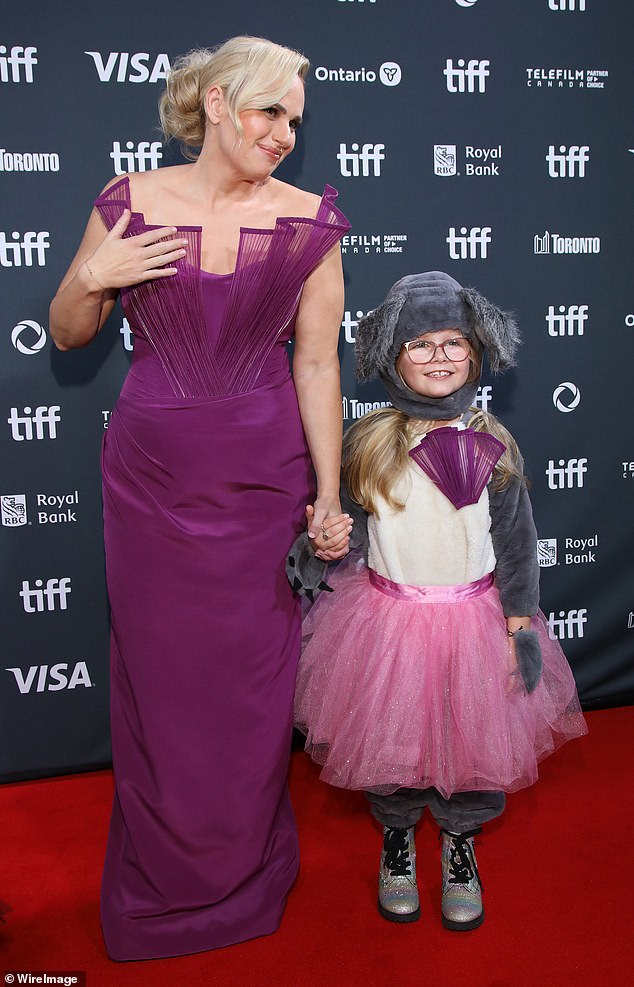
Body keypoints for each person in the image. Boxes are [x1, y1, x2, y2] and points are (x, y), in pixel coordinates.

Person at [49, 36, 351, 962]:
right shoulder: (129, 200)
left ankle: (243, 873)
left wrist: (328, 494)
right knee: (160, 678)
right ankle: (160, 881)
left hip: (262, 479)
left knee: (252, 688)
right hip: (151, 478)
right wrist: (94, 278)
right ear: (218, 103)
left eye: (296, 120)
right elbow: (68, 334)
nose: (285, 135)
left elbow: (315, 361)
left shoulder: (310, 220)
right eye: (270, 112)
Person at [292, 272, 587, 931]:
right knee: (389, 739)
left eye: (454, 342)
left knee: (475, 738)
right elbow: (350, 537)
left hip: (475, 622)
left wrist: (519, 623)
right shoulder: (366, 442)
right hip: (387, 624)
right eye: (420, 344)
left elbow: (515, 542)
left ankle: (460, 845)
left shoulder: (493, 442)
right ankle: (398, 840)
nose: (440, 357)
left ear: (476, 351)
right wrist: (328, 538)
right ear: (391, 357)